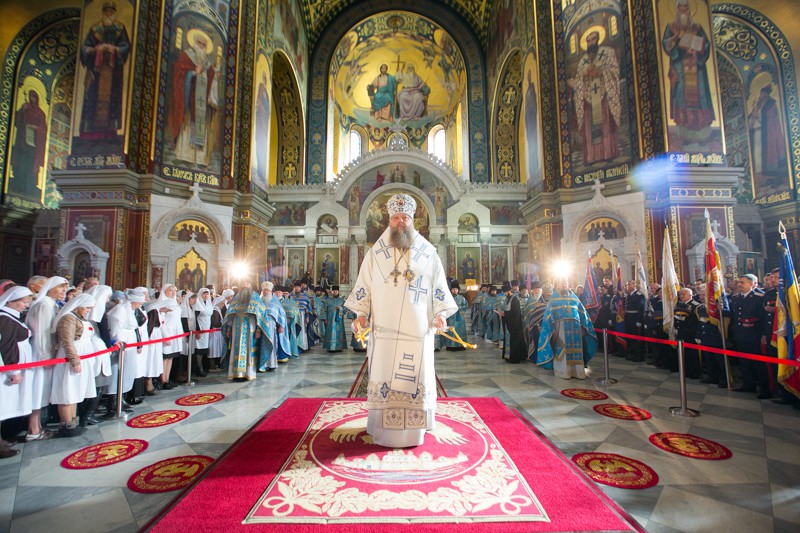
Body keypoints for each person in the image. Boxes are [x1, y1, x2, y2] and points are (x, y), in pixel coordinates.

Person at [345, 193, 457, 448]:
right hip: (384, 330)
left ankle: (416, 427)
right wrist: (361, 314)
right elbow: (364, 286)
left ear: (412, 219)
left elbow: (439, 286)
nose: (400, 222)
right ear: (389, 219)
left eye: (405, 217)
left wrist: (440, 314)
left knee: (416, 375)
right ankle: (383, 429)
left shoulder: (428, 253)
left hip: (417, 330)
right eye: (396, 217)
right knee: (384, 372)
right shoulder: (375, 254)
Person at [661, 0, 715, 147]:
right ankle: (685, 135)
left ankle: (702, 135)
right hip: (680, 67)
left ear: (689, 9)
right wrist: (674, 39)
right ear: (676, 9)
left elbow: (706, 44)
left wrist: (696, 48)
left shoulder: (697, 27)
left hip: (696, 68)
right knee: (682, 99)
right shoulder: (672, 27)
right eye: (680, 7)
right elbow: (666, 44)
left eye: (685, 6)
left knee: (699, 99)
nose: (683, 9)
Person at [51, 293, 102, 437]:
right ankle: (66, 424)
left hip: (83, 358)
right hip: (71, 358)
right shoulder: (68, 318)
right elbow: (67, 341)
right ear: (78, 305)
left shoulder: (80, 318)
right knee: (67, 391)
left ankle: (73, 422)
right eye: (87, 307)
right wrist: (74, 360)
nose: (88, 310)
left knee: (76, 391)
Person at [78, 1, 131, 140]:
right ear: (103, 12)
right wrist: (96, 49)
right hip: (96, 71)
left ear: (114, 13)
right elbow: (85, 47)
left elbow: (126, 46)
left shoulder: (120, 28)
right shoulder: (96, 28)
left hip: (113, 72)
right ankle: (90, 133)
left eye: (111, 11)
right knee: (93, 98)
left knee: (112, 100)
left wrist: (115, 49)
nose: (109, 13)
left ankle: (109, 133)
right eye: (106, 11)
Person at [25, 276, 69, 440]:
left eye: (65, 288)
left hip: (47, 352)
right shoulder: (44, 304)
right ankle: (33, 429)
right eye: (61, 287)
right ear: (50, 288)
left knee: (41, 390)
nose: (64, 291)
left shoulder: (50, 303)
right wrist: (46, 356)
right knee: (37, 390)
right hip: (41, 353)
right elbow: (42, 333)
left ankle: (37, 427)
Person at [572, 30, 621, 164]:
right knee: (590, 129)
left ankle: (608, 153)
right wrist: (585, 74)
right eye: (588, 41)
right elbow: (578, 79)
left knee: (605, 125)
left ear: (598, 39)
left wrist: (600, 72)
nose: (590, 43)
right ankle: (591, 157)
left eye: (593, 39)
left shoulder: (608, 52)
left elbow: (615, 70)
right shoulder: (583, 61)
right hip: (588, 100)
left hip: (604, 96)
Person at [170, 31, 217, 165]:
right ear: (194, 43)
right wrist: (192, 73)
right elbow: (179, 71)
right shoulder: (186, 55)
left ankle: (199, 158)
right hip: (189, 97)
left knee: (199, 126)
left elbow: (212, 78)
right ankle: (184, 154)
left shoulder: (207, 63)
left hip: (201, 101)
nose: (201, 46)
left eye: (204, 45)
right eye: (199, 43)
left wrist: (212, 79)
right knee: (187, 125)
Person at [535, 279, 597, 379]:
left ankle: (577, 372)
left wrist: (583, 326)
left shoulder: (574, 297)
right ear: (558, 285)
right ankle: (563, 372)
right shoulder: (554, 298)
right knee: (563, 348)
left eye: (565, 283)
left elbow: (582, 313)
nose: (564, 285)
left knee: (576, 349)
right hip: (560, 328)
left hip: (575, 328)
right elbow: (548, 316)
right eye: (562, 283)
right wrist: (552, 330)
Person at [0, 287, 36, 457]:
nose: (26, 305)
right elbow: (6, 346)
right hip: (7, 371)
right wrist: (13, 370)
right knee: (2, 405)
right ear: (10, 301)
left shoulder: (11, 316)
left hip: (15, 368)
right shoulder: (5, 318)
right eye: (23, 302)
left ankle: (2, 440)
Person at [728, 274, 769, 398]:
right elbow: (734, 316)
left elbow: (764, 318)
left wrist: (764, 334)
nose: (739, 284)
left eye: (743, 282)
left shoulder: (759, 297)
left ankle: (765, 389)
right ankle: (748, 384)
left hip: (754, 335)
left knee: (759, 363)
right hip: (741, 334)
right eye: (739, 282)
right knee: (744, 362)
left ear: (752, 284)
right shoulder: (737, 298)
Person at [223, 285, 271, 381]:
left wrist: (258, 330)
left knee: (248, 349)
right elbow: (230, 315)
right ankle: (236, 374)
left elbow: (260, 315)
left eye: (247, 283)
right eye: (243, 283)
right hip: (236, 326)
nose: (245, 285)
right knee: (235, 349)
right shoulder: (237, 297)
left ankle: (248, 373)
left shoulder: (255, 297)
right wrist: (228, 329)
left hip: (250, 325)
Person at [10, 89, 48, 198]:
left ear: (37, 98)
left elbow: (44, 129)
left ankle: (29, 188)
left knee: (30, 168)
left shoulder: (40, 113)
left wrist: (36, 128)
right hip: (22, 143)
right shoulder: (25, 108)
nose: (32, 99)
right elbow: (16, 122)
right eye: (30, 96)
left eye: (34, 97)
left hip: (34, 146)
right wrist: (22, 110)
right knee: (21, 165)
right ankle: (19, 187)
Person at [258, 282, 290, 372]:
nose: (265, 292)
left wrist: (281, 326)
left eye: (267, 290)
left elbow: (282, 314)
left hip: (271, 326)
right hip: (260, 326)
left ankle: (271, 364)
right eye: (264, 290)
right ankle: (262, 364)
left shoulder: (275, 302)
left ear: (270, 291)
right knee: (260, 345)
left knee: (270, 343)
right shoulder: (259, 301)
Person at [437, 280, 468, 352]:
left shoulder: (462, 298)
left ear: (458, 290)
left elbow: (465, 306)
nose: (455, 290)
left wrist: (458, 309)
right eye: (453, 289)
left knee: (460, 331)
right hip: (450, 317)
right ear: (451, 290)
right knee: (450, 332)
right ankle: (450, 346)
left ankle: (461, 345)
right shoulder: (448, 297)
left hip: (459, 318)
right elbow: (444, 306)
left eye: (456, 289)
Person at [253, 70, 270, 183]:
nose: (264, 80)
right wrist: (262, 110)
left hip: (265, 125)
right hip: (260, 124)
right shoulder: (260, 89)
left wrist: (265, 112)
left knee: (263, 147)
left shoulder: (267, 95)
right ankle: (260, 172)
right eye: (263, 78)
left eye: (265, 79)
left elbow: (268, 110)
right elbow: (258, 102)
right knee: (259, 145)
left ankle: (262, 172)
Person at [503, 282, 526, 363]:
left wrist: (505, 314)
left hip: (515, 324)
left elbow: (515, 312)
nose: (504, 294)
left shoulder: (514, 299)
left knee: (515, 341)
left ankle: (515, 358)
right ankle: (509, 356)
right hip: (510, 323)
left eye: (505, 292)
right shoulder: (508, 299)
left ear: (509, 291)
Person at [322, 285, 347, 352]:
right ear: (332, 292)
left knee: (339, 333)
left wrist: (340, 308)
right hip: (330, 320)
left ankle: (339, 347)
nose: (335, 292)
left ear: (338, 291)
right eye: (334, 291)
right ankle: (330, 347)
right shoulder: (328, 300)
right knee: (330, 333)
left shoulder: (342, 300)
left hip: (339, 321)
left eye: (336, 291)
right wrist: (325, 319)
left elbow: (345, 309)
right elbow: (324, 310)